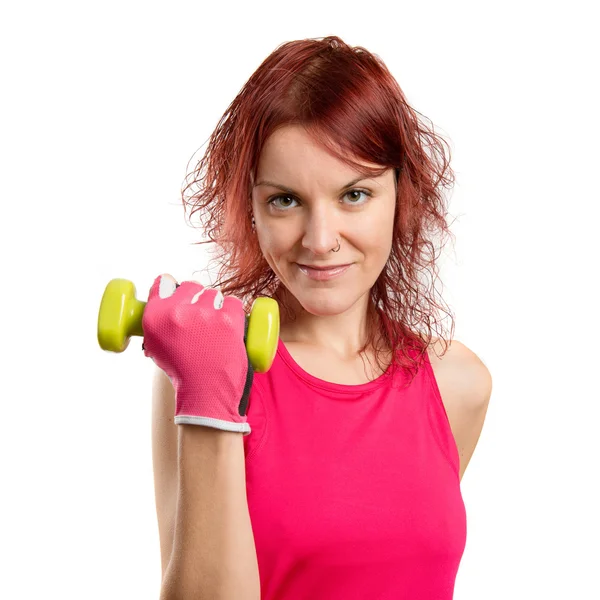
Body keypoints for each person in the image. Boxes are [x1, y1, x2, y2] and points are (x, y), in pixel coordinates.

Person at [145, 35, 492, 600]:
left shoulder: (459, 386)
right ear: (251, 208)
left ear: (400, 193)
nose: (321, 239)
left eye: (354, 194)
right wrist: (211, 401)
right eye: (285, 199)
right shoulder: (209, 373)